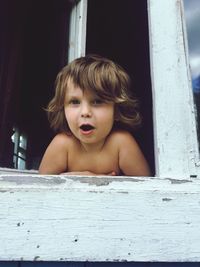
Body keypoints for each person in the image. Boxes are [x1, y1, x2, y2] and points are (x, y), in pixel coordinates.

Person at [39, 54, 151, 176]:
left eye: (97, 101)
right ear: (63, 108)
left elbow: (148, 188)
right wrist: (75, 179)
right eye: (75, 102)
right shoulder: (62, 144)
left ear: (117, 110)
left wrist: (99, 181)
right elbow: (40, 189)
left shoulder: (121, 142)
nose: (85, 112)